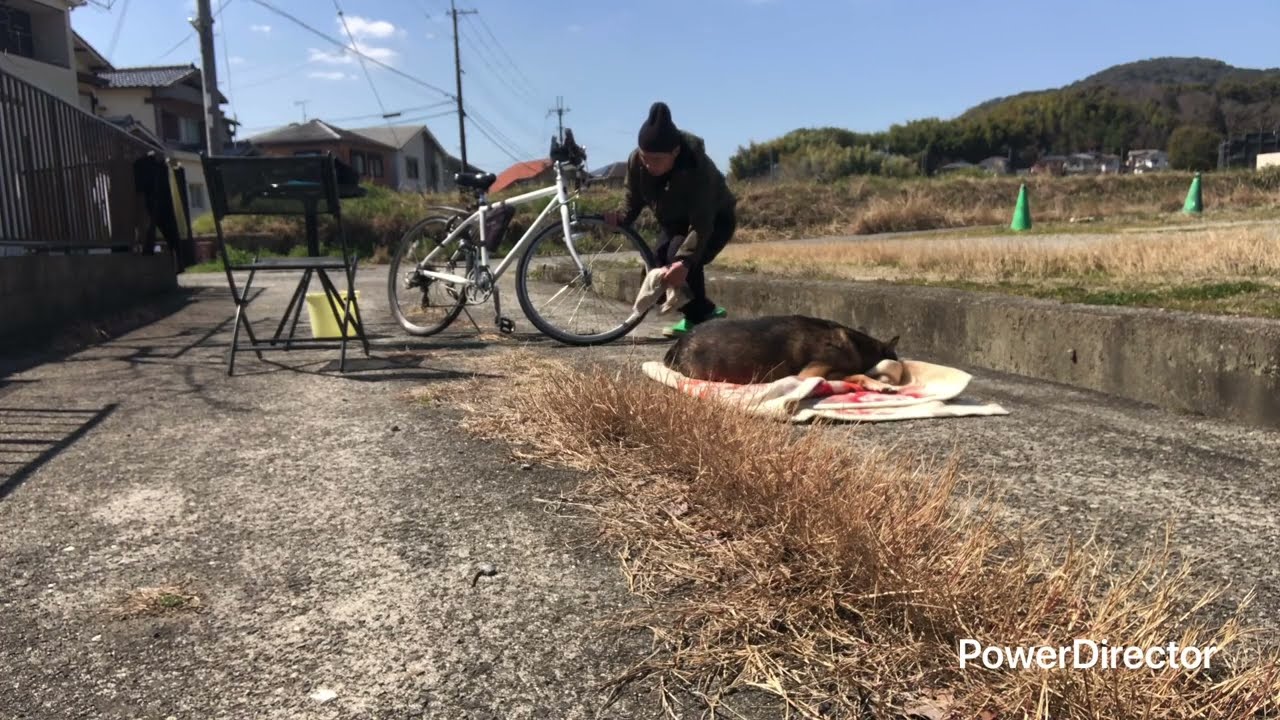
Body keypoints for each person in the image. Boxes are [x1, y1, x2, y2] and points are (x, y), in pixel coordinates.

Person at [604, 101, 737, 337]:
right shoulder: (637, 162)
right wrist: (621, 218)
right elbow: (632, 197)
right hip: (674, 222)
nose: (649, 164)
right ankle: (703, 312)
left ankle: (701, 320)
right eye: (645, 157)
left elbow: (702, 223)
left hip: (715, 220)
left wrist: (684, 262)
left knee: (679, 256)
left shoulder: (697, 168)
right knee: (655, 267)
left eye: (656, 160)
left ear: (675, 152)